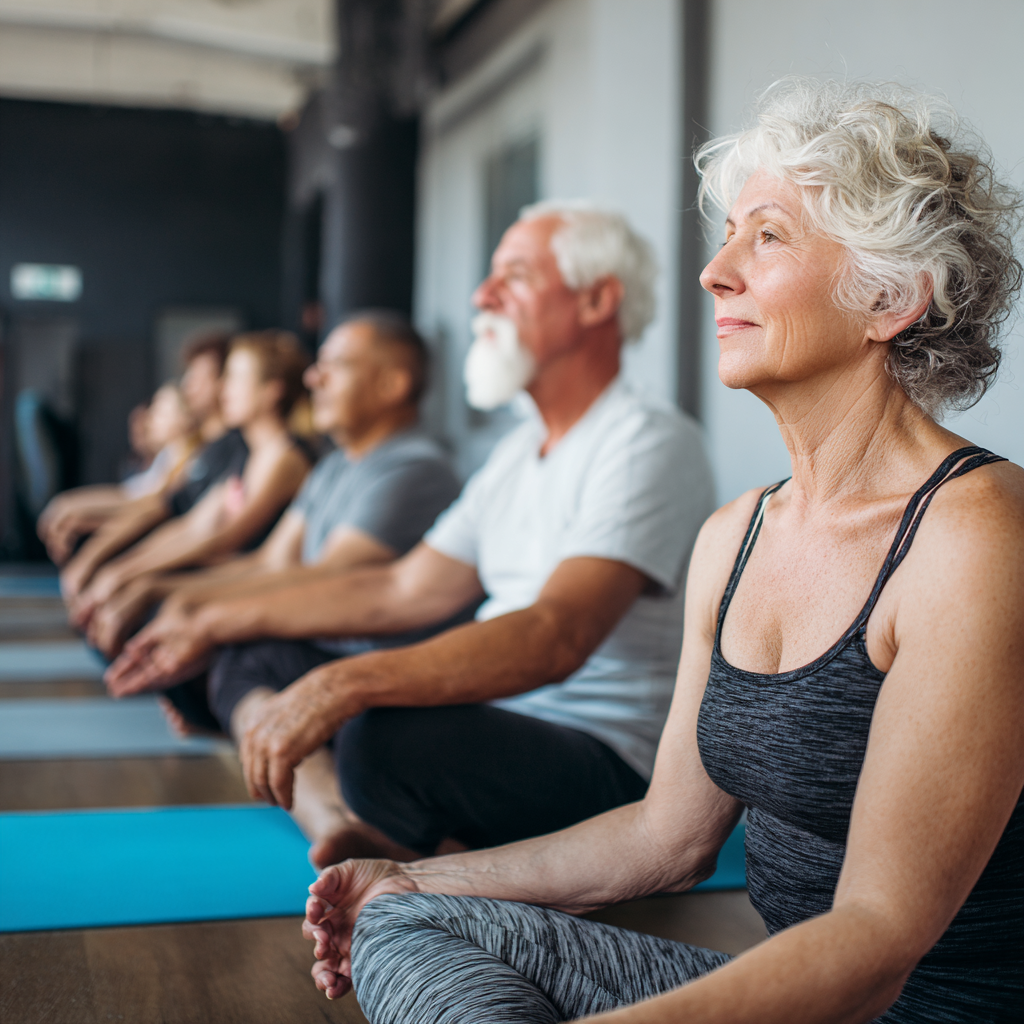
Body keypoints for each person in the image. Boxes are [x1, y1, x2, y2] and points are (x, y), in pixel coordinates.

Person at [298, 80, 1024, 1024]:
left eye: (767, 236)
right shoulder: (735, 537)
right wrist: (415, 879)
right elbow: (665, 837)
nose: (715, 272)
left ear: (890, 296)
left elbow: (878, 942)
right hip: (797, 995)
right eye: (728, 234)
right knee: (399, 922)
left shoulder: (977, 538)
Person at [105, 203, 716, 870]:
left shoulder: (648, 440)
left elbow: (557, 633)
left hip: (602, 761)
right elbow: (403, 588)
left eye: (513, 276)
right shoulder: (516, 455)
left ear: (598, 300)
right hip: (499, 719)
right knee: (256, 655)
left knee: (379, 733)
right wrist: (212, 616)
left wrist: (344, 685)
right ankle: (340, 824)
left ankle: (375, 819)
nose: (483, 296)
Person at [100, 310, 461, 682]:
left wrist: (192, 606)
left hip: (368, 661)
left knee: (233, 656)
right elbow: (273, 561)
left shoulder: (415, 468)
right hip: (324, 645)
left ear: (391, 385)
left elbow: (329, 575)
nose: (314, 378)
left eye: (335, 365)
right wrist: (161, 590)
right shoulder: (333, 466)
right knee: (190, 634)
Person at [69, 331, 313, 642]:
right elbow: (193, 526)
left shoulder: (285, 458)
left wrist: (138, 578)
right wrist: (121, 570)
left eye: (236, 379)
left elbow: (224, 539)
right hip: (227, 572)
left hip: (253, 584)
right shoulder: (247, 454)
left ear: (272, 392)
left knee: (151, 604)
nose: (224, 389)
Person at [56, 330, 237, 591]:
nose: (188, 385)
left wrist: (121, 569)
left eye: (198, 376)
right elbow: (164, 507)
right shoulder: (207, 449)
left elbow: (173, 515)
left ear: (224, 382)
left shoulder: (231, 450)